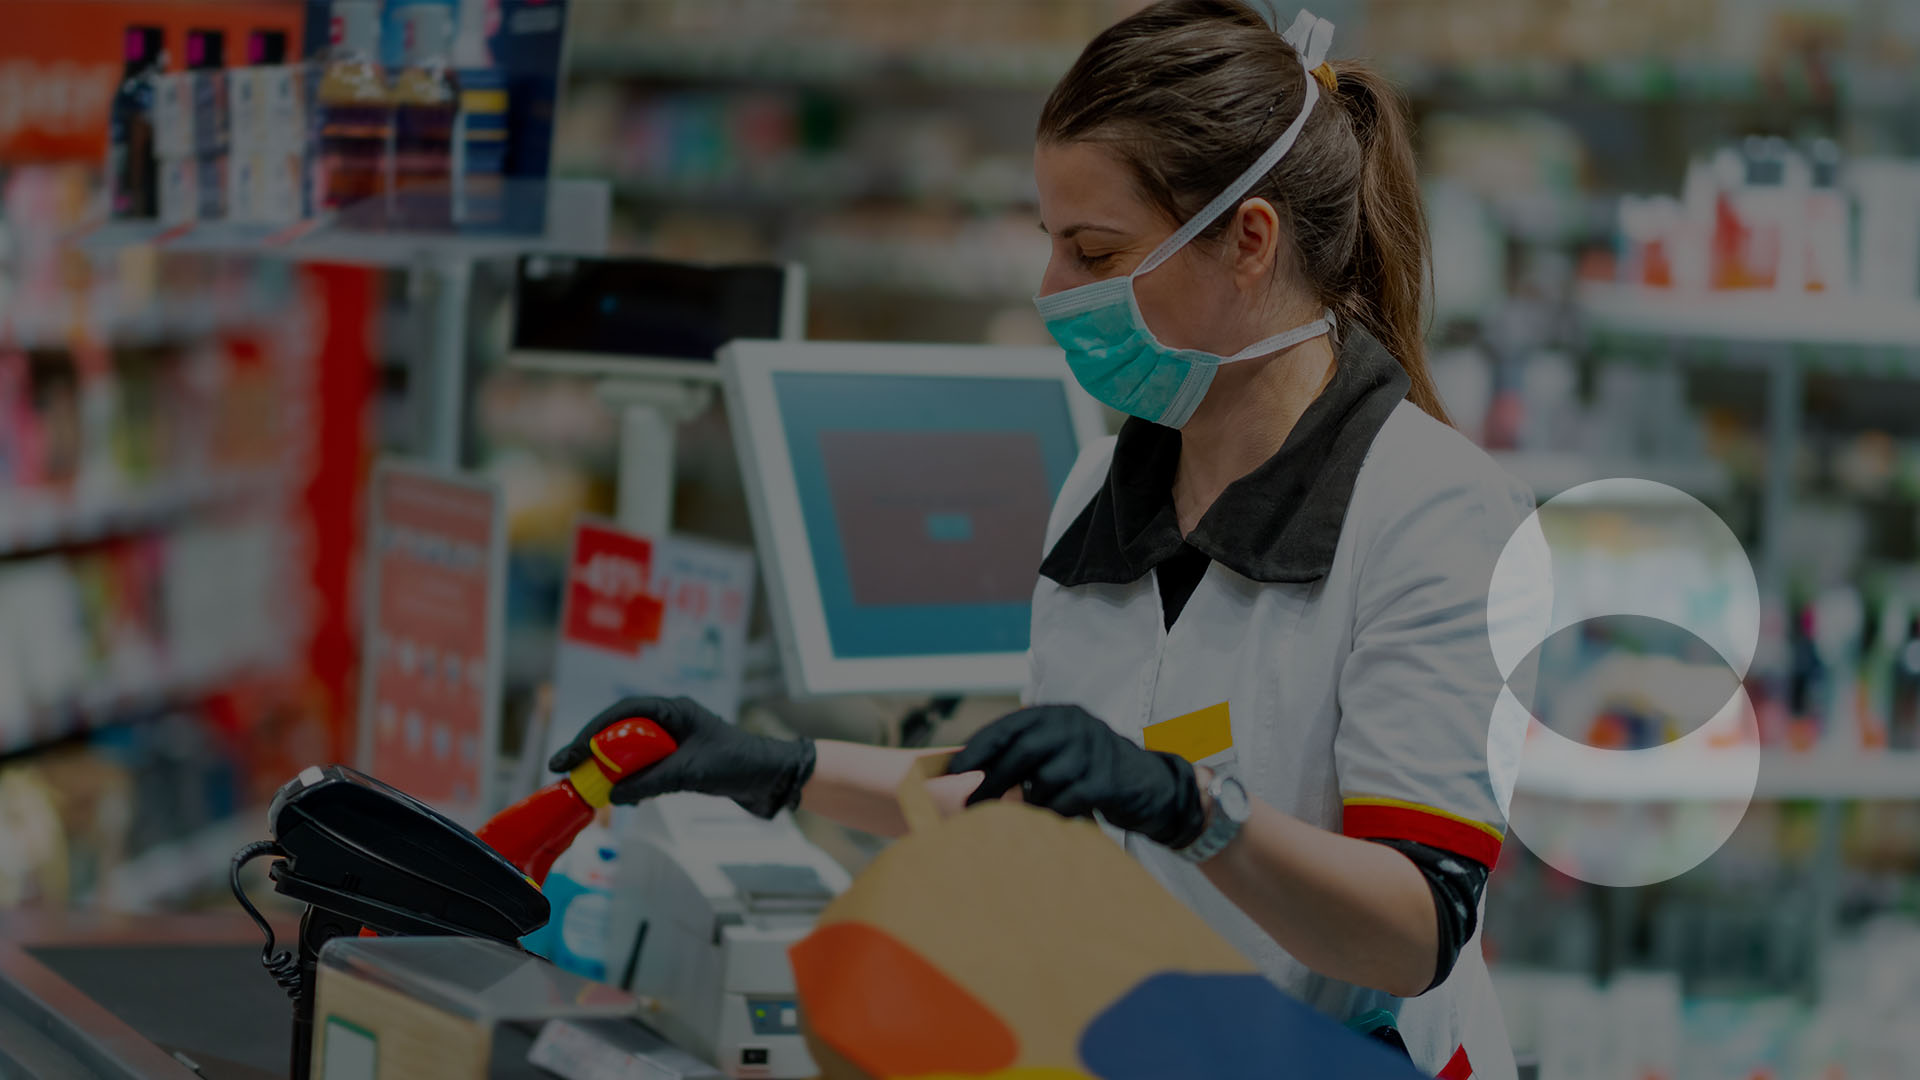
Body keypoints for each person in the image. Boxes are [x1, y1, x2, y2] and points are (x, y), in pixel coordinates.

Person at [552, 3, 1544, 1076]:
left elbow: (1413, 930)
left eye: (1094, 250)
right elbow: (1031, 796)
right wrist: (775, 768)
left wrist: (1191, 808)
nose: (1053, 292)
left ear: (1250, 242)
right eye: (1052, 244)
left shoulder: (1434, 511)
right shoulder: (1102, 490)